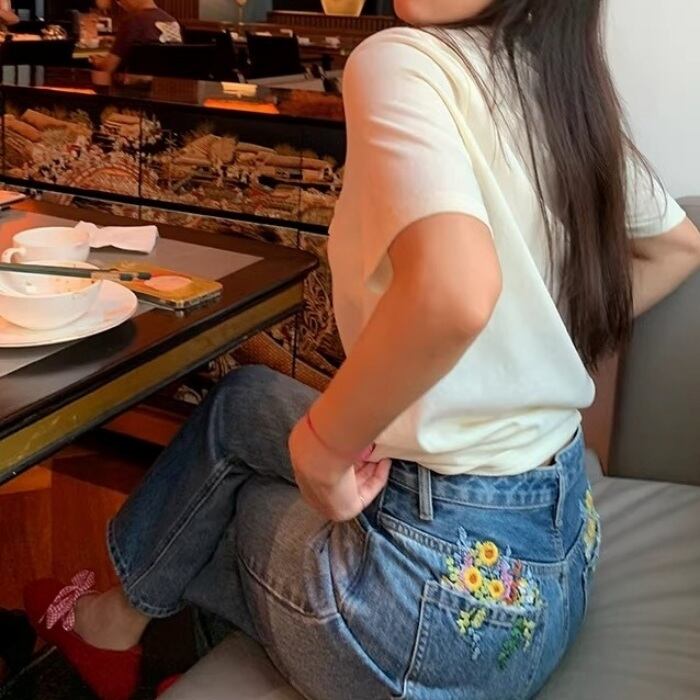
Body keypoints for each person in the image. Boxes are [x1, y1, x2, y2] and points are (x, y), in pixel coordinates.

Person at [25, 1, 700, 699]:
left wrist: (323, 444)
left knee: (226, 498)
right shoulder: (558, 84)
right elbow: (677, 249)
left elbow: (455, 292)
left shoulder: (401, 59)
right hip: (560, 574)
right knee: (242, 404)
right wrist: (524, 344)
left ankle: (110, 629)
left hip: (429, 627)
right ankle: (127, 625)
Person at [91, 0, 181, 74]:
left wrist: (96, 61)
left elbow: (108, 68)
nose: (120, 4)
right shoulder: (172, 21)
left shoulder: (133, 21)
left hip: (137, 86)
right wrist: (118, 40)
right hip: (172, 84)